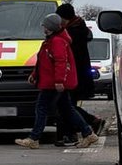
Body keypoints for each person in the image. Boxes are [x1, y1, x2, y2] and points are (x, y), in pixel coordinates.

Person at [16, 14, 99, 149]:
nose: (43, 27)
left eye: (44, 25)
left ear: (50, 27)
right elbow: (43, 62)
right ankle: (88, 133)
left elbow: (61, 62)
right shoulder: (52, 40)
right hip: (53, 81)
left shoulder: (56, 42)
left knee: (41, 108)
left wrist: (59, 81)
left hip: (53, 83)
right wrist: (34, 74)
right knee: (67, 109)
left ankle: (34, 138)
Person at [55, 3, 106, 146]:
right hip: (79, 74)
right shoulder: (78, 28)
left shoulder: (71, 32)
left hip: (74, 75)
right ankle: (74, 131)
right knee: (67, 104)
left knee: (66, 105)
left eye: (60, 18)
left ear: (65, 18)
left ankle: (81, 128)